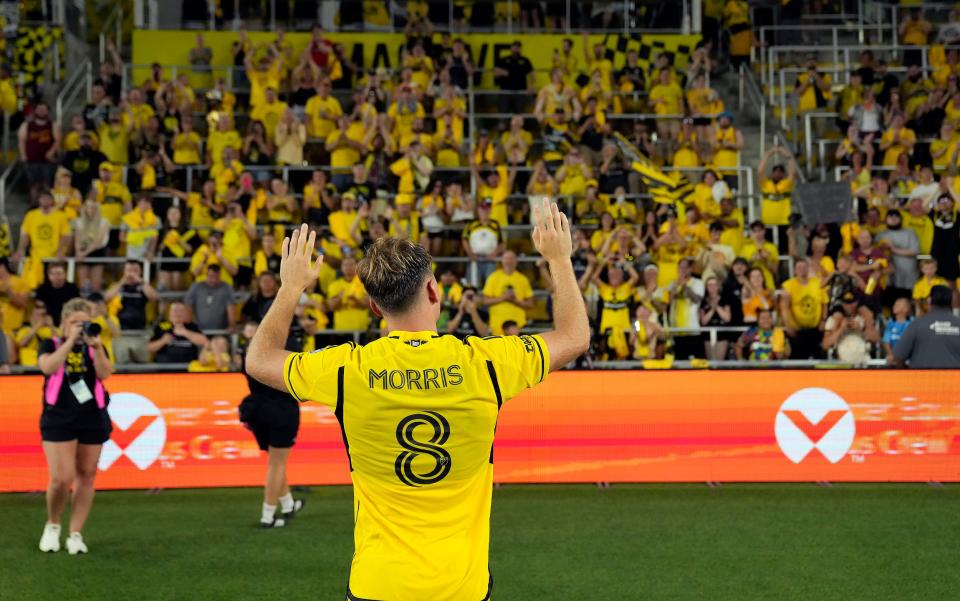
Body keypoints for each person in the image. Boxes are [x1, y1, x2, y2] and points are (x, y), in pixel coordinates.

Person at [244, 199, 589, 600]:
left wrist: (291, 288)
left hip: (378, 585)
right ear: (433, 289)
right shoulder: (487, 363)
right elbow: (574, 337)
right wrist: (559, 259)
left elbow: (260, 359)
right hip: (460, 588)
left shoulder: (346, 371)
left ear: (374, 307)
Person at [36, 298, 112, 555]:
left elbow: (105, 373)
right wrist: (70, 342)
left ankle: (76, 533)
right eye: (75, 323)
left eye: (85, 322)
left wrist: (97, 347)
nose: (81, 327)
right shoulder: (51, 344)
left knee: (87, 476)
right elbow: (47, 367)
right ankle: (53, 524)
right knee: (61, 478)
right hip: (58, 416)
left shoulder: (96, 346)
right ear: (64, 324)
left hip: (92, 416)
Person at [237, 321, 305, 528]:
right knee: (277, 464)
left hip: (257, 409)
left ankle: (288, 504)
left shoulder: (254, 345)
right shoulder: (291, 343)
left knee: (275, 461)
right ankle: (267, 516)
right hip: (282, 410)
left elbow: (244, 369)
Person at [894, 286, 960, 368]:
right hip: (955, 379)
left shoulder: (917, 324)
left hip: (922, 379)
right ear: (951, 302)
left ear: (929, 300)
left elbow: (898, 357)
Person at [779, 258, 828, 359]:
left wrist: (823, 320)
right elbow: (784, 307)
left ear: (808, 269)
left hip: (816, 329)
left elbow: (824, 303)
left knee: (818, 359)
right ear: (795, 270)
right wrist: (788, 325)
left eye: (805, 267)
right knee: (798, 361)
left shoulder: (818, 283)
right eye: (799, 267)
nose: (802, 270)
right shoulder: (788, 285)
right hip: (797, 331)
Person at [482, 250, 535, 335]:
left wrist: (515, 301)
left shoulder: (523, 279)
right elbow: (485, 301)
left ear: (516, 261)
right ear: (501, 261)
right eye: (506, 258)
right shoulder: (493, 277)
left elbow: (530, 304)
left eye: (512, 258)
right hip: (497, 326)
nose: (509, 261)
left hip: (518, 326)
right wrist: (504, 298)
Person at [184, 264, 236, 332]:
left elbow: (231, 307)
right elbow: (188, 306)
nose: (214, 280)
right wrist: (189, 326)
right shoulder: (196, 287)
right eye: (211, 276)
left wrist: (232, 325)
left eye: (216, 277)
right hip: (199, 330)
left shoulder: (226, 288)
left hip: (221, 330)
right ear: (206, 274)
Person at [882, 297, 913, 364]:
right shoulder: (890, 322)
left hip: (909, 358)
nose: (894, 307)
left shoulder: (912, 322)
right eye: (894, 305)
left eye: (897, 305)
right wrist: (891, 354)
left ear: (906, 309)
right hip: (894, 357)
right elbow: (886, 341)